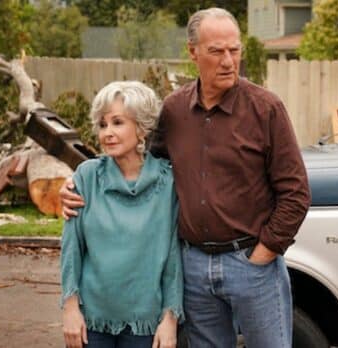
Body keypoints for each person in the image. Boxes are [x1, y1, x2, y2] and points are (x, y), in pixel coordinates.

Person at [61, 8, 310, 348]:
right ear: (193, 52)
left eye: (234, 50)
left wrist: (263, 253)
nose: (228, 61)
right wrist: (76, 189)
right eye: (216, 51)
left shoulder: (265, 109)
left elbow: (295, 193)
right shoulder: (174, 112)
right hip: (192, 267)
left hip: (251, 263)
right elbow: (145, 172)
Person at [60, 81, 183, 348]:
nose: (108, 133)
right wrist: (70, 308)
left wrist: (170, 318)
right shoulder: (86, 176)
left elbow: (174, 257)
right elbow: (71, 249)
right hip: (91, 323)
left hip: (145, 324)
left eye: (118, 122)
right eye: (103, 125)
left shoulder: (168, 181)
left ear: (141, 128)